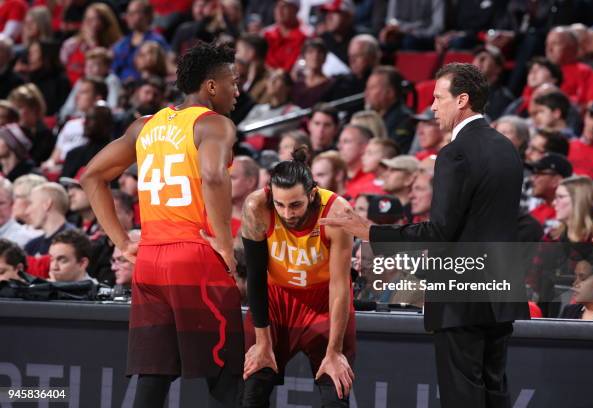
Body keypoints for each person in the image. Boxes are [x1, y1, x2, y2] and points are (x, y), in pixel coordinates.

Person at [321, 63, 530, 408]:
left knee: (462, 396)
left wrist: (371, 231)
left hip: (462, 293)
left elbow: (439, 231)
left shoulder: (454, 153)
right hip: (501, 288)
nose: (432, 107)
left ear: (462, 100)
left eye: (438, 98)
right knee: (495, 390)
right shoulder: (506, 148)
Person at [81, 42, 243, 408]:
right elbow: (215, 176)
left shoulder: (145, 126)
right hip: (194, 257)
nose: (237, 89)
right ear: (211, 86)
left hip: (150, 262)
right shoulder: (214, 123)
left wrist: (123, 244)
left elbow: (91, 176)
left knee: (154, 378)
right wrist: (224, 242)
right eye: (233, 81)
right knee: (227, 376)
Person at [240, 147, 355, 407]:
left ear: (312, 194)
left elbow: (340, 286)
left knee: (335, 390)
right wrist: (262, 342)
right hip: (276, 298)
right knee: (252, 389)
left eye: (295, 205)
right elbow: (256, 277)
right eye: (280, 205)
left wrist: (334, 351)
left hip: (324, 300)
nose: (287, 213)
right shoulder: (255, 206)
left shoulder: (337, 211)